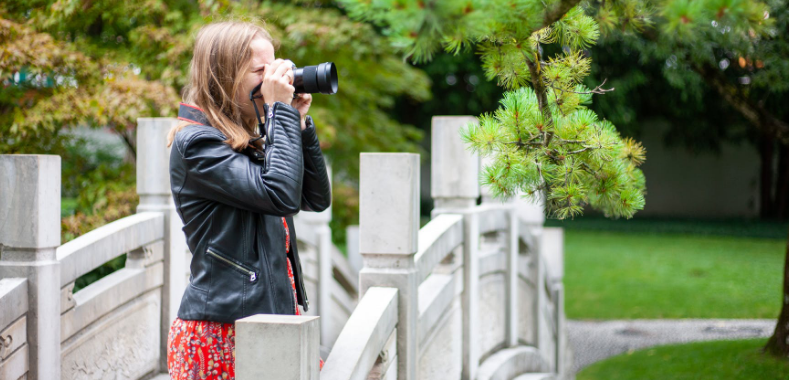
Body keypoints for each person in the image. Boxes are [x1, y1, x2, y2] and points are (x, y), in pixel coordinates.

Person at [165, 20, 331, 380]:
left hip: (268, 325)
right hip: (222, 335)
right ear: (224, 76)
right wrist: (280, 112)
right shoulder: (197, 145)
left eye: (274, 67)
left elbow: (314, 198)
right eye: (261, 71)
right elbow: (279, 194)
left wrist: (299, 123)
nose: (273, 79)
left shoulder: (245, 140)